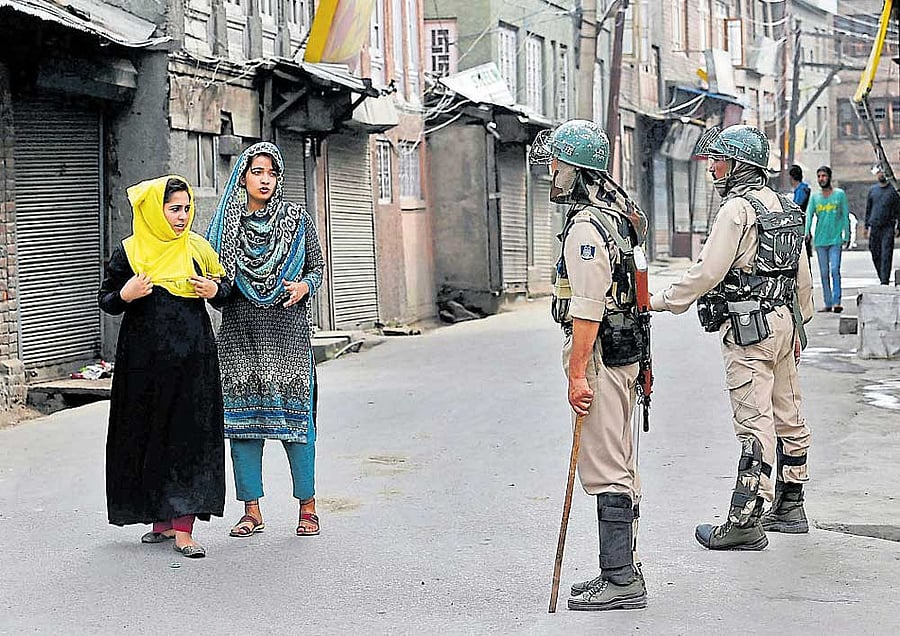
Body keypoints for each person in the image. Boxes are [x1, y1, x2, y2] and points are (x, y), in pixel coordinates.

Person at [650, 125, 814, 549]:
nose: (712, 168)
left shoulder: (736, 210)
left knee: (754, 421)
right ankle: (791, 505)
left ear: (741, 166)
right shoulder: (784, 206)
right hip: (784, 323)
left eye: (719, 160)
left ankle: (745, 521)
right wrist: (799, 327)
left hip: (749, 330)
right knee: (788, 413)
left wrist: (662, 300)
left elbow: (708, 271)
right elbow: (802, 277)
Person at [530, 119, 648, 611]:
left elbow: (587, 308)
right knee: (621, 462)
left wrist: (578, 373)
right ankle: (622, 570)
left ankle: (619, 579)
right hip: (626, 353)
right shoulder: (616, 216)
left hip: (602, 356)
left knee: (605, 467)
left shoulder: (586, 227)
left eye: (558, 164)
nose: (552, 172)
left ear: (577, 171)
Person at [99, 176, 229, 559]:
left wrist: (215, 291)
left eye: (187, 208)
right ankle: (161, 520)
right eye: (174, 209)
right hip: (143, 365)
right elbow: (107, 298)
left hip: (192, 361)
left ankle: (184, 528)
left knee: (188, 436)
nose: (182, 216)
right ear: (156, 211)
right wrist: (126, 294)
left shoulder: (197, 249)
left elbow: (224, 290)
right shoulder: (129, 252)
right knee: (149, 434)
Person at [206, 142, 325, 538]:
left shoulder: (297, 219)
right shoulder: (227, 228)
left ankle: (307, 507)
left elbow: (317, 266)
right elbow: (222, 290)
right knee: (243, 427)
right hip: (239, 337)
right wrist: (211, 289)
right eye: (257, 172)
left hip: (288, 337)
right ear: (242, 177)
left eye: (272, 173)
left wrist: (304, 287)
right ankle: (251, 511)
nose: (265, 180)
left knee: (298, 423)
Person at [805, 166, 851, 313]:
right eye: (819, 176)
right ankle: (828, 302)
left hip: (835, 240)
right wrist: (806, 232)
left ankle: (837, 302)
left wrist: (847, 235)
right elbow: (809, 215)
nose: (821, 179)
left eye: (824, 176)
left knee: (835, 269)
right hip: (820, 240)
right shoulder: (815, 197)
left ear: (829, 177)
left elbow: (845, 216)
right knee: (824, 273)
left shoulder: (839, 195)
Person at [864, 164, 900, 285]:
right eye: (879, 172)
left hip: (888, 227)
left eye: (883, 172)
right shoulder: (873, 190)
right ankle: (881, 275)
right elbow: (868, 209)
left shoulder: (893, 191)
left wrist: (898, 226)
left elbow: (898, 210)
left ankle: (885, 280)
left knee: (886, 253)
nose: (881, 175)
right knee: (875, 252)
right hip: (874, 226)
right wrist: (866, 226)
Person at [789, 164, 812, 262]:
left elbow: (798, 208)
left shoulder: (801, 190)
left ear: (791, 178)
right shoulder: (802, 189)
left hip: (802, 226)